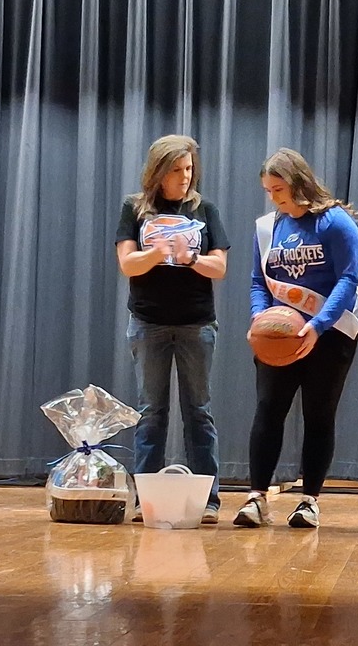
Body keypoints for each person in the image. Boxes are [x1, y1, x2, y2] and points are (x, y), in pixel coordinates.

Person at [234, 148, 358, 529]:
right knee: (269, 408)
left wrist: (318, 325)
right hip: (281, 336)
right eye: (269, 191)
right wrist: (260, 319)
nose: (274, 198)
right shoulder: (268, 227)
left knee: (319, 415)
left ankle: (310, 501)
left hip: (330, 334)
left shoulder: (335, 223)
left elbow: (348, 280)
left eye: (278, 189)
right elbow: (260, 281)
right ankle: (257, 497)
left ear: (298, 183)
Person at [115, 135, 230, 524]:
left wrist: (190, 257)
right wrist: (158, 253)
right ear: (159, 172)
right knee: (151, 413)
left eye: (190, 168)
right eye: (178, 170)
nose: (186, 176)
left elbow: (220, 268)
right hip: (148, 324)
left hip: (196, 324)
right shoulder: (135, 208)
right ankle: (145, 499)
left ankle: (208, 500)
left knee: (199, 411)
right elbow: (128, 264)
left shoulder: (205, 209)